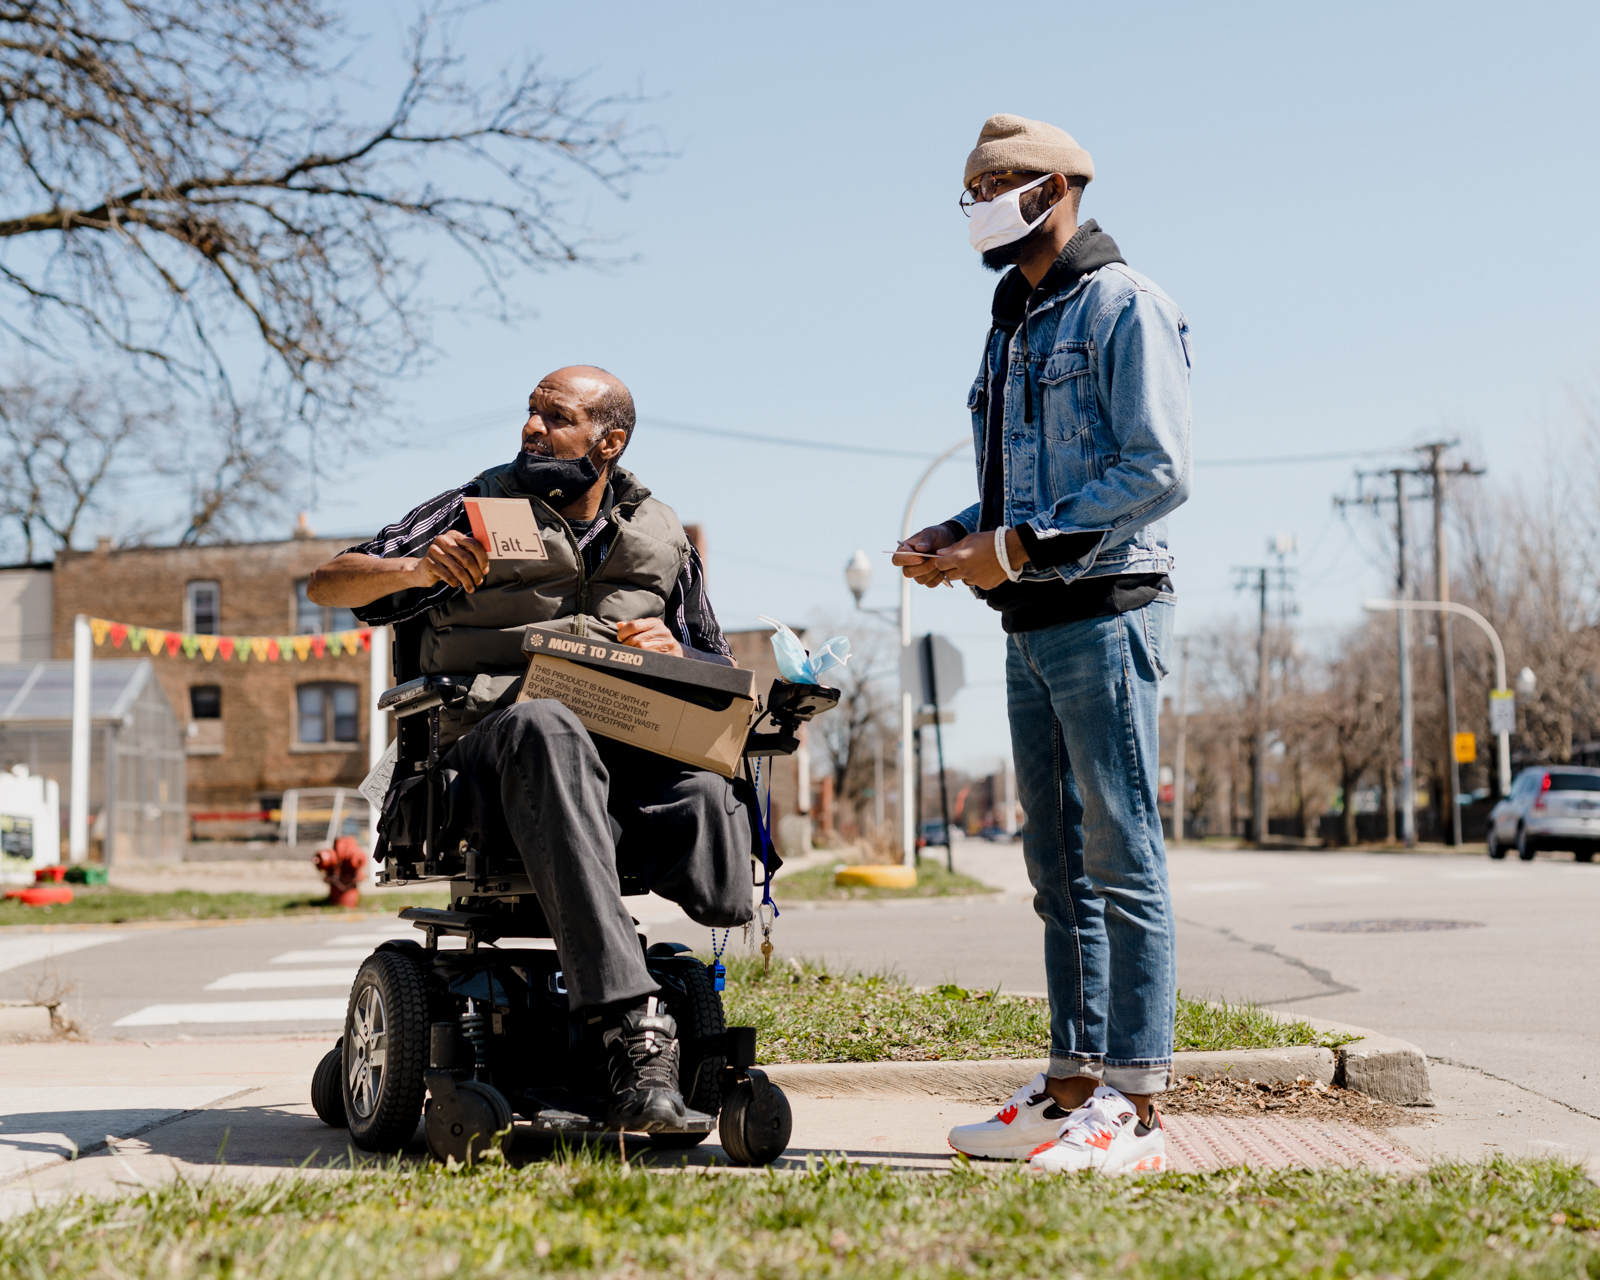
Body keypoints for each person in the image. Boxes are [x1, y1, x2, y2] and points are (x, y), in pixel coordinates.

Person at [308, 365, 756, 1131]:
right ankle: (628, 1026)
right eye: (531, 413)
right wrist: (418, 568)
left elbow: (715, 660)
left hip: (612, 759)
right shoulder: (474, 507)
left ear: (608, 441)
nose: (532, 429)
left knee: (703, 784)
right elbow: (330, 580)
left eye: (556, 418)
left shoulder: (661, 534)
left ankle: (675, 973)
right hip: (478, 759)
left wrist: (679, 653)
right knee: (545, 724)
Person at [895, 115, 1191, 1175]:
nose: (977, 198)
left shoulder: (1124, 304)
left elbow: (1155, 468)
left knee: (1119, 851)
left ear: (1060, 186)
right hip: (1028, 617)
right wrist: (955, 536)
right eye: (969, 184)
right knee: (1053, 861)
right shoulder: (1010, 324)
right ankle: (1070, 1083)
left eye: (999, 181)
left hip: (1106, 608)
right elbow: (1016, 485)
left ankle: (1138, 1103)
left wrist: (1010, 543)